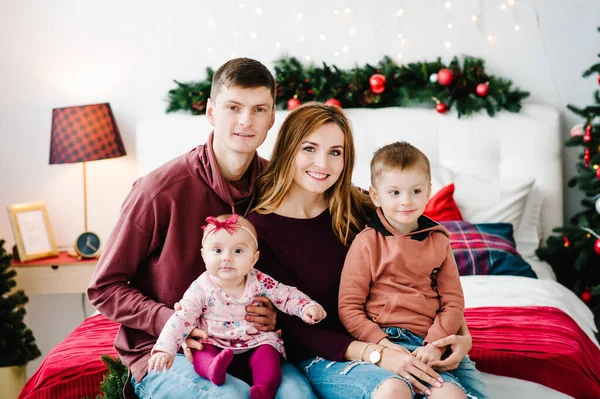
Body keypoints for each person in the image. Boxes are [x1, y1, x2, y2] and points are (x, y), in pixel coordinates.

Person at [87, 58, 318, 399]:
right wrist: (167, 319)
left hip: (252, 347)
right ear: (211, 112)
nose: (245, 120)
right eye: (233, 107)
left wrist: (274, 314)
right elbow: (104, 287)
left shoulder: (279, 188)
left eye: (259, 109)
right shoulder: (158, 191)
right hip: (167, 351)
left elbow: (292, 279)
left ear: (272, 117)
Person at [246, 102, 485, 399]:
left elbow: (430, 278)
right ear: (287, 150)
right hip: (329, 354)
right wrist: (377, 353)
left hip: (405, 341)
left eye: (335, 152)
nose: (323, 163)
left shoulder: (358, 206)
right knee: (394, 390)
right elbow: (297, 328)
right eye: (309, 148)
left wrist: (462, 337)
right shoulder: (259, 230)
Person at [338, 142, 487, 399]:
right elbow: (349, 307)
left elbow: (453, 302)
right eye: (394, 192)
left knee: (453, 396)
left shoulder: (439, 240)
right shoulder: (367, 242)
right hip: (385, 340)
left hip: (430, 342)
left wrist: (435, 345)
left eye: (416, 191)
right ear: (376, 196)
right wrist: (383, 346)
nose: (406, 201)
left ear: (429, 191)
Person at [148, 214, 326, 399]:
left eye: (238, 251)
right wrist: (165, 349)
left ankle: (264, 388)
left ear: (254, 258)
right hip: (215, 343)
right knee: (201, 353)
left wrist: (306, 307)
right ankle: (213, 370)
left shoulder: (259, 281)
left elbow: (286, 294)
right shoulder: (201, 288)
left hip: (256, 343)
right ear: (203, 255)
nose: (226, 258)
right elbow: (181, 319)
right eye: (217, 250)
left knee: (269, 358)